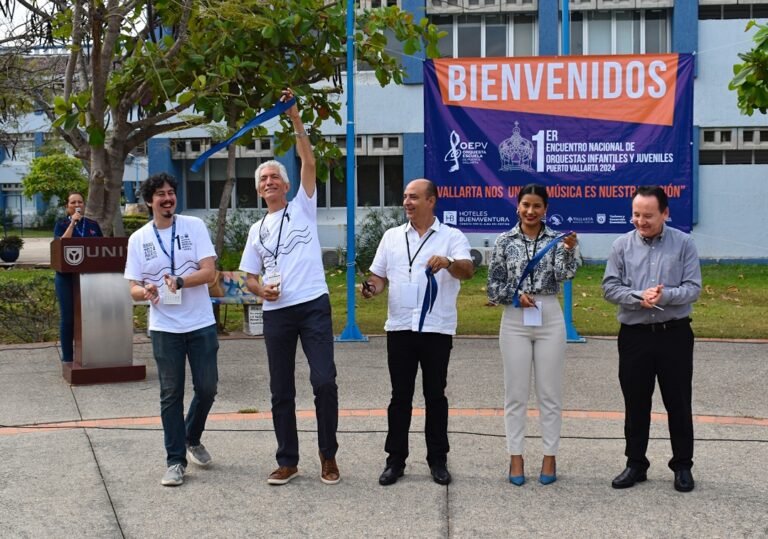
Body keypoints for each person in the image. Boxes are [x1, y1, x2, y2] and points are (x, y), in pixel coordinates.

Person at [240, 89, 340, 486]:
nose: (268, 182)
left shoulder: (302, 206)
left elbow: (308, 160)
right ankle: (288, 460)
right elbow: (249, 275)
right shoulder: (255, 229)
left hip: (313, 304)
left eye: (274, 177)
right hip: (276, 312)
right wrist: (259, 290)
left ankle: (328, 457)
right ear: (259, 189)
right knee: (280, 389)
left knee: (323, 381)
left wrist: (295, 117)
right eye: (263, 179)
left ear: (286, 184)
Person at [361, 178, 474, 486]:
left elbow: (468, 269)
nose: (407, 202)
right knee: (400, 397)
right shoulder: (392, 237)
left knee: (435, 396)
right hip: (400, 327)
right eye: (405, 197)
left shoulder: (451, 236)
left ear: (431, 201)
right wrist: (372, 288)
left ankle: (437, 460)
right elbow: (379, 276)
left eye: (414, 197)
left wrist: (449, 262)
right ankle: (395, 461)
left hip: (436, 328)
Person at [602, 185, 701, 493]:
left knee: (678, 403)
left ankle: (682, 466)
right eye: (636, 214)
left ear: (665, 213)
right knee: (636, 402)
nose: (640, 221)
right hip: (635, 336)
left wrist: (664, 295)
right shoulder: (621, 245)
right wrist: (636, 297)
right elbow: (609, 287)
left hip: (674, 335)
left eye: (648, 215)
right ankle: (635, 464)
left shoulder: (684, 244)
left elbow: (693, 287)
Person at [124, 173, 219, 487]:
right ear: (149, 201)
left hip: (201, 322)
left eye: (171, 193)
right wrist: (146, 292)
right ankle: (176, 461)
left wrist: (181, 281)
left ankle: (192, 436)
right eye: (160, 194)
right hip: (165, 327)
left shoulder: (193, 226)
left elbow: (209, 272)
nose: (167, 198)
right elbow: (132, 288)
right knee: (170, 394)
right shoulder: (139, 239)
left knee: (207, 388)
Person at [486, 184, 578, 486]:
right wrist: (514, 295)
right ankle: (516, 456)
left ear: (545, 209)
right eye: (526, 204)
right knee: (515, 393)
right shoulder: (503, 241)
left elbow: (567, 275)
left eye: (537, 206)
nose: (530, 211)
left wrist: (569, 250)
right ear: (517, 206)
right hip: (515, 318)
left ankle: (550, 456)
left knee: (549, 394)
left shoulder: (557, 239)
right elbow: (493, 286)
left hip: (549, 315)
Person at [53, 192, 103, 363]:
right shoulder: (61, 224)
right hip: (66, 278)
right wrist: (73, 223)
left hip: (89, 278)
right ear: (67, 206)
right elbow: (61, 244)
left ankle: (91, 354)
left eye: (80, 202)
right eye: (73, 202)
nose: (77, 205)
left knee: (91, 317)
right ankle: (68, 357)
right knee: (68, 318)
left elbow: (102, 249)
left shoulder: (93, 225)